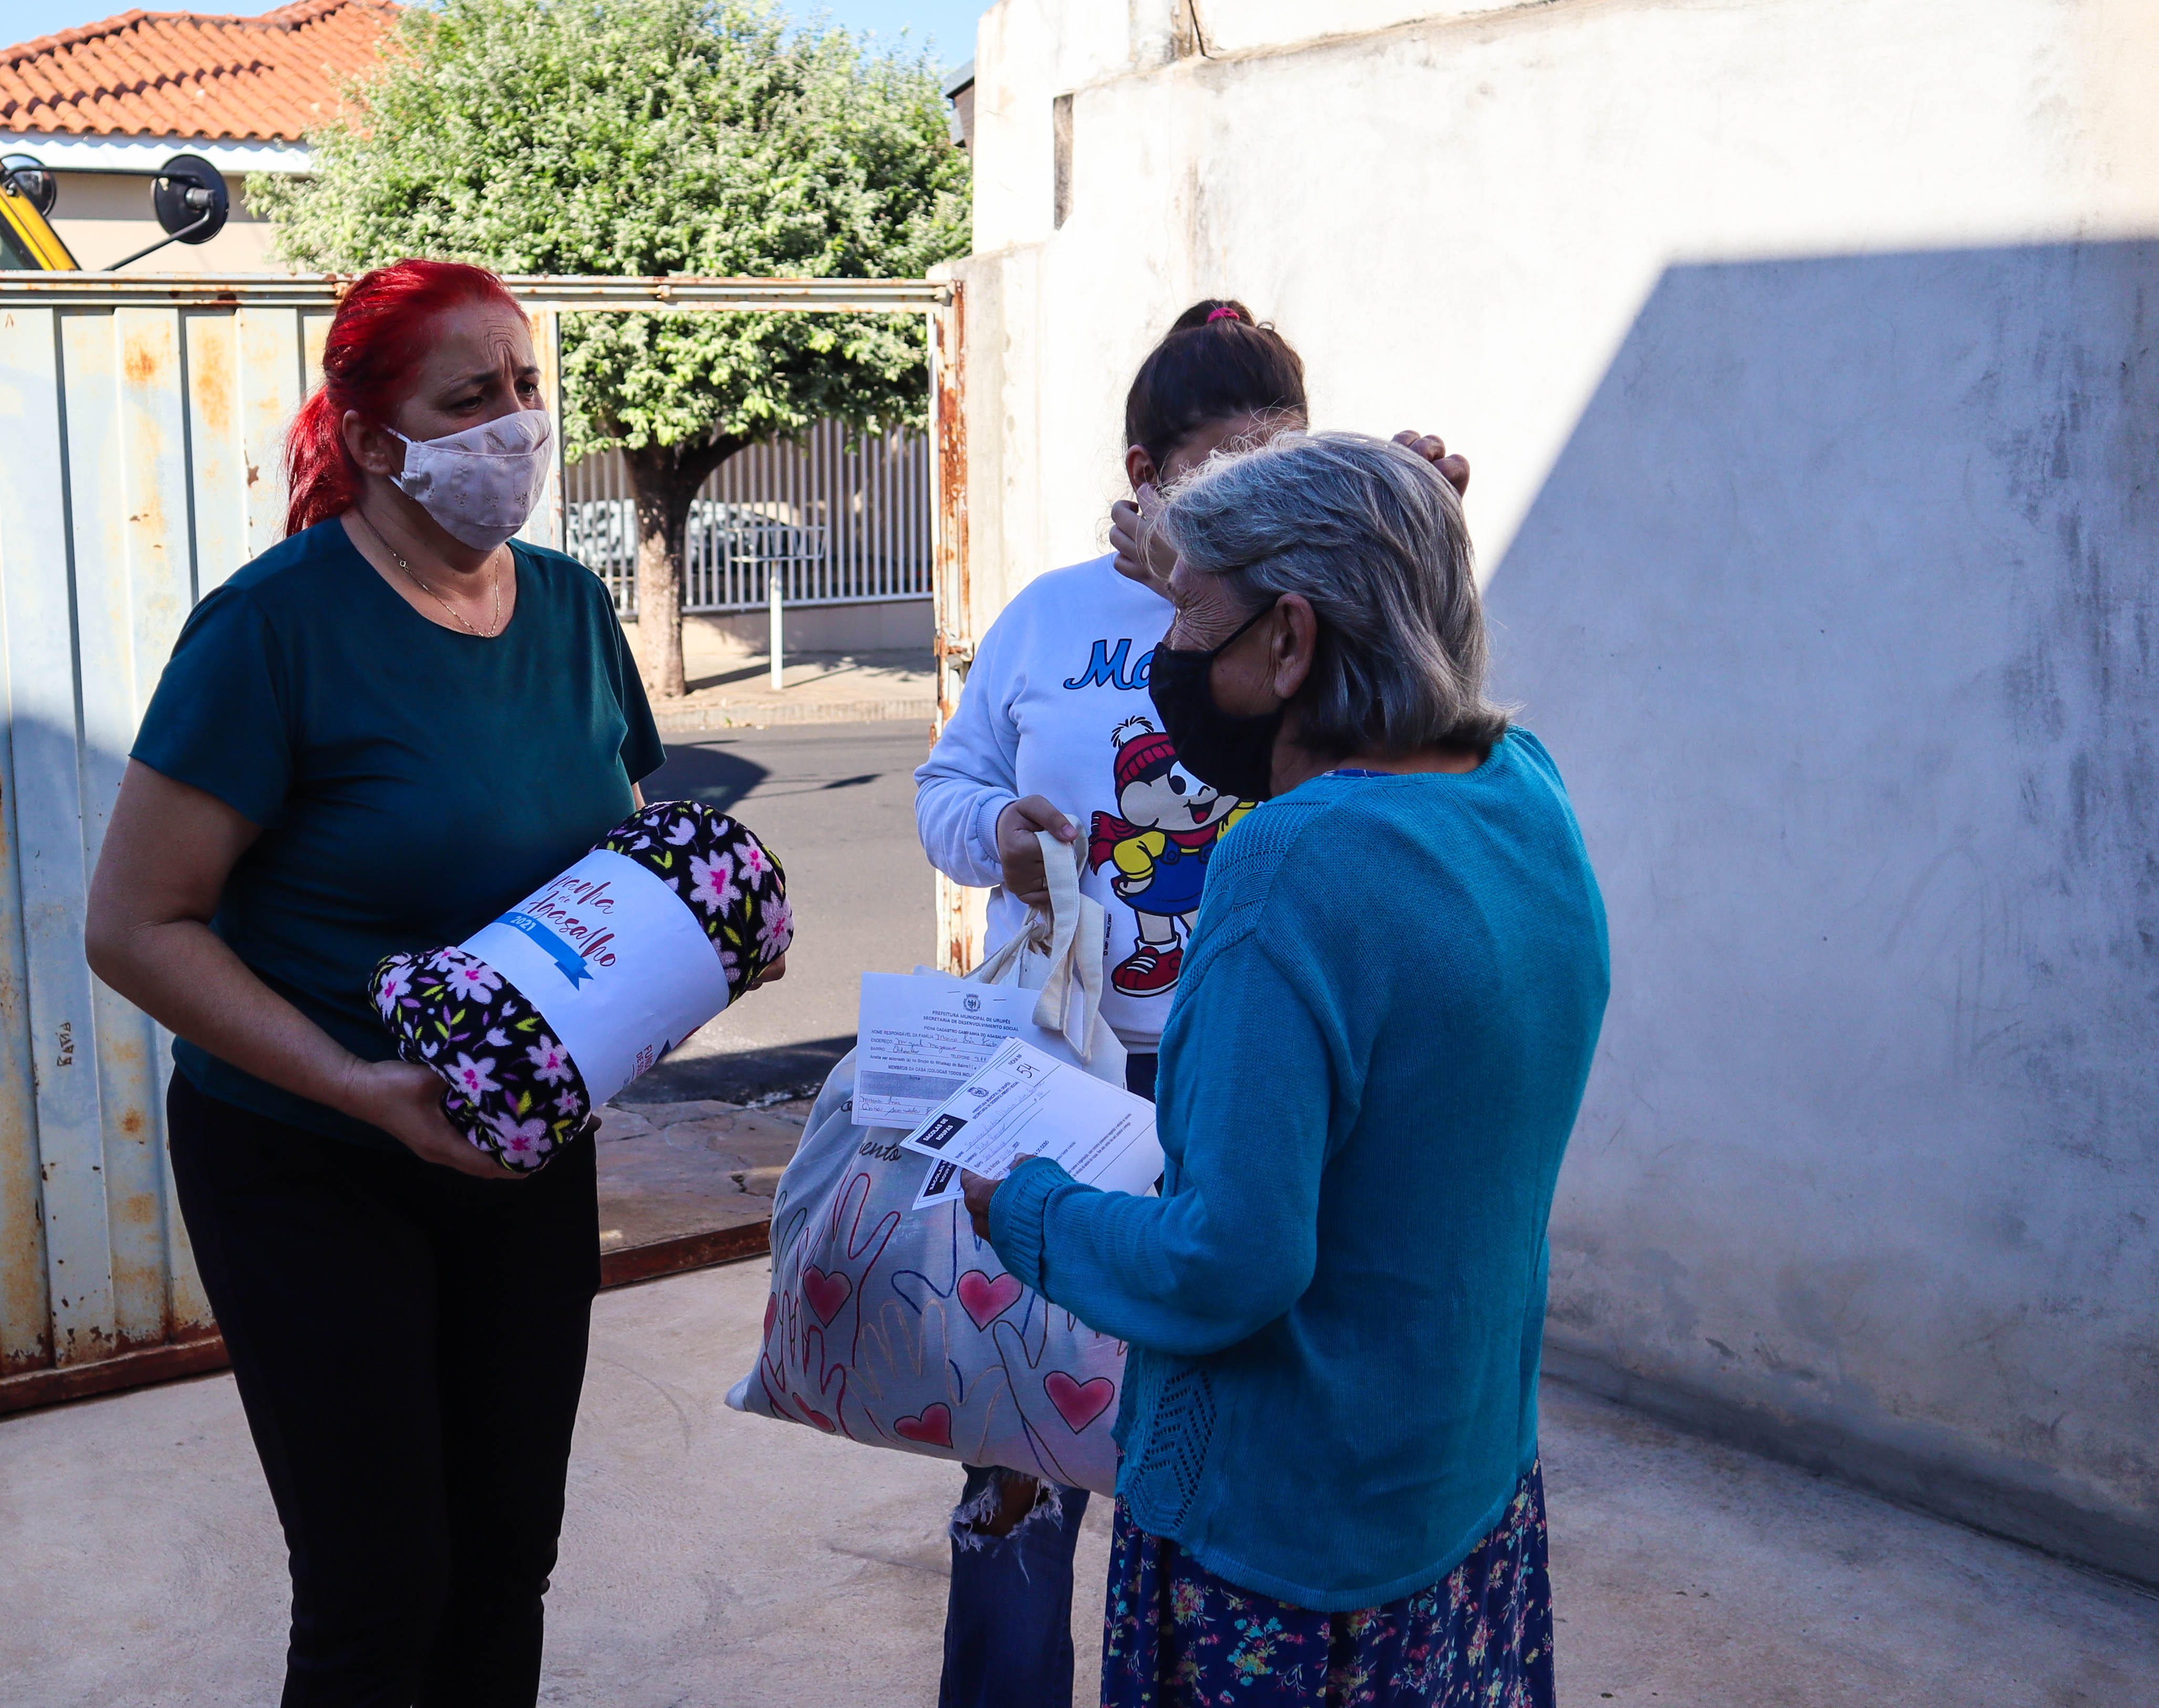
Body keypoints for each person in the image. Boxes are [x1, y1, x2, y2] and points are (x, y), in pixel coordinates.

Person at [85, 260, 773, 1706]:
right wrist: (354, 1084)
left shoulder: (575, 613)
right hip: (313, 1151)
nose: (516, 424)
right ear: (378, 437)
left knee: (505, 1550)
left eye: (526, 387)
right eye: (472, 398)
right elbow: (136, 924)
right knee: (377, 1583)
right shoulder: (272, 628)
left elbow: (618, 864)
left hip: (522, 1153)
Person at [962, 430, 1608, 1706]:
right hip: (1459, 1481)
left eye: (1190, 616)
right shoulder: (1522, 791)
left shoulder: (1289, 870)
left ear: (1291, 643)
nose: (1170, 657)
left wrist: (1025, 1209)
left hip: (1283, 1536)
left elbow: (1228, 1263)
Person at [911, 301, 1465, 1706]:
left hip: (1261, 1087)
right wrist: (1003, 839)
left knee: (1220, 1413)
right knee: (1028, 1446)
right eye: (1222, 461)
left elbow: (1420, 734)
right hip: (1074, 1069)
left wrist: (1408, 521)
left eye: (1281, 453)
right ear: (1142, 471)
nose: (1249, 488)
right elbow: (943, 789)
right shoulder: (1047, 619)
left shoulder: (1314, 620)